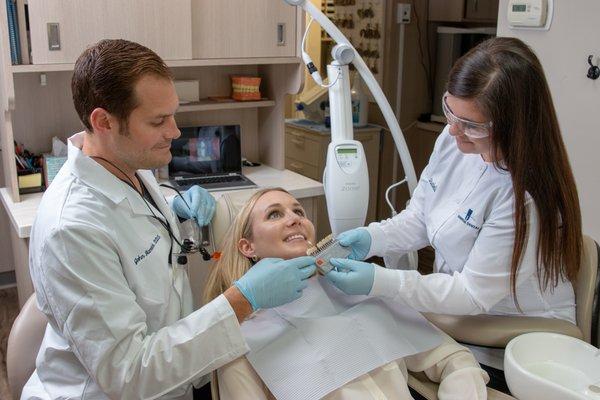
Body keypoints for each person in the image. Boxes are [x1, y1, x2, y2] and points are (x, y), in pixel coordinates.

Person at [23, 39, 316, 400]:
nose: (175, 132)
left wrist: (173, 209)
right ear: (103, 122)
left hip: (174, 376)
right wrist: (243, 299)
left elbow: (133, 221)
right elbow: (128, 375)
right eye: (158, 120)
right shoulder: (71, 230)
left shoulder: (127, 165)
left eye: (173, 114)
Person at [325, 37, 583, 390]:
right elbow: (420, 217)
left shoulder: (524, 197)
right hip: (456, 322)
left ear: (515, 127)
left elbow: (472, 295)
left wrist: (379, 282)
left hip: (512, 342)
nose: (455, 132)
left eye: (474, 126)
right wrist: (373, 237)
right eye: (450, 111)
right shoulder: (453, 139)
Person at [203, 188, 490, 400]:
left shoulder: (362, 296)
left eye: (299, 211)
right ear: (247, 247)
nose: (294, 219)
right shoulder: (241, 341)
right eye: (275, 214)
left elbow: (456, 361)